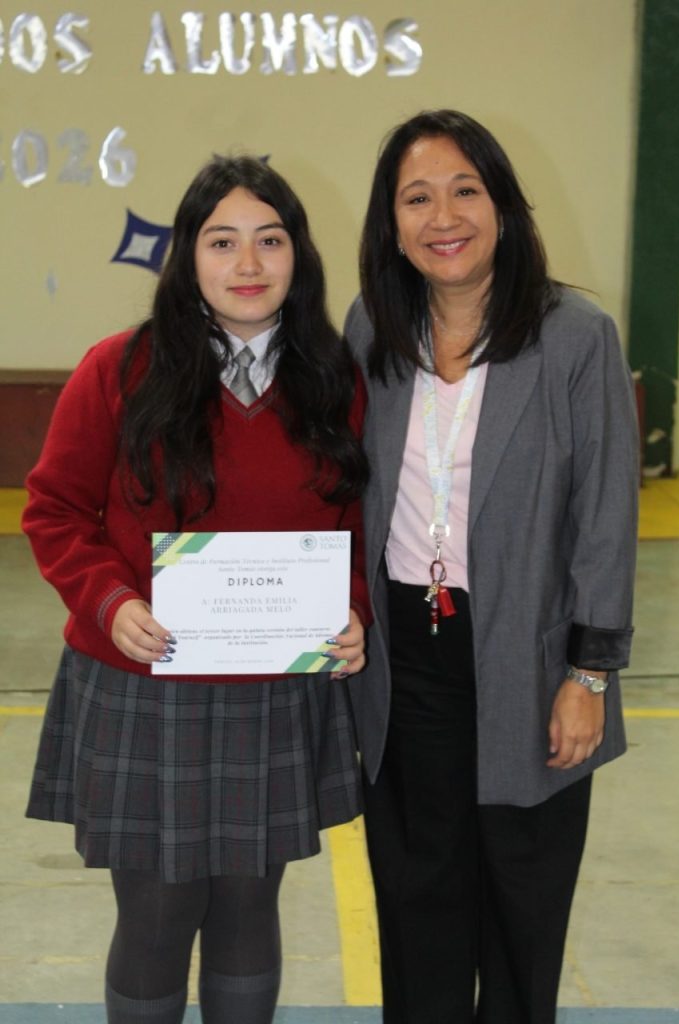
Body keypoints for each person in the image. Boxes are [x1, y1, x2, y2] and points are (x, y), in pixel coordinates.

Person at [23, 154, 370, 1024]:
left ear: (299, 256)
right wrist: (111, 603)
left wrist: (356, 613)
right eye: (222, 242)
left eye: (270, 240)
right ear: (187, 256)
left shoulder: (335, 379)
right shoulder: (117, 369)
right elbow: (55, 510)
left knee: (251, 906)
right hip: (145, 684)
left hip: (275, 687)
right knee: (158, 911)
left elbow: (363, 526)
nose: (248, 264)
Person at [344, 109, 639, 1024]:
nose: (444, 217)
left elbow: (606, 517)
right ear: (392, 223)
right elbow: (339, 486)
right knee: (416, 900)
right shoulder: (371, 328)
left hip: (530, 660)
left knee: (521, 907)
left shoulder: (575, 336)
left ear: (503, 207)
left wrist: (589, 674)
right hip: (405, 660)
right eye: (417, 198)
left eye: (465, 191)